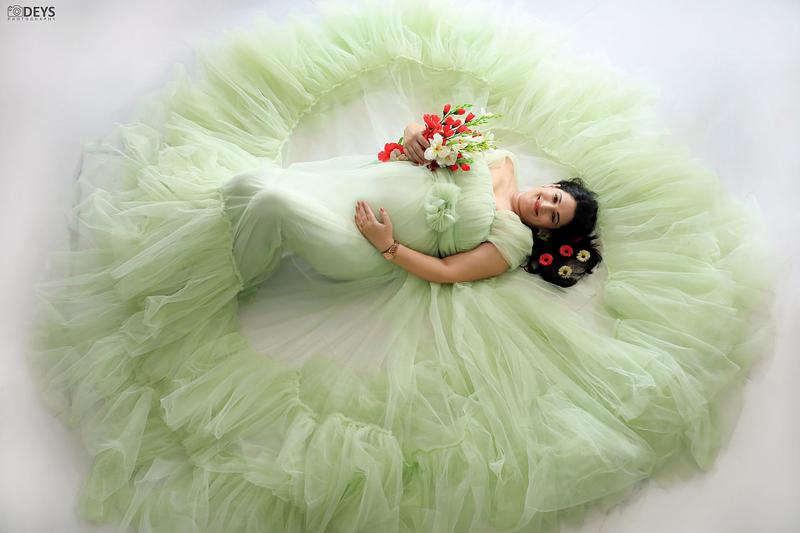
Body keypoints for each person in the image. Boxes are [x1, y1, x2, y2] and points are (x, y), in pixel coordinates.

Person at [222, 122, 603, 301]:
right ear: (552, 186)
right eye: (554, 199)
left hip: (367, 242)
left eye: (552, 217)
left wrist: (387, 246)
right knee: (248, 185)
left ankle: (229, 280)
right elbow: (424, 128)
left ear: (547, 230)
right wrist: (412, 136)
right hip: (357, 186)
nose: (543, 206)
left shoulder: (514, 239)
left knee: (273, 204)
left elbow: (448, 271)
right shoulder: (501, 159)